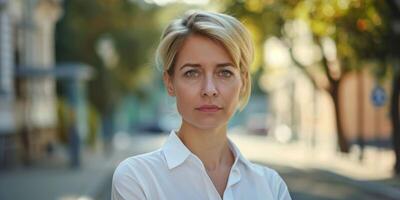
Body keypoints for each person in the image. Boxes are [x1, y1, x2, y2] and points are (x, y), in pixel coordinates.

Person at [111, 10, 292, 200]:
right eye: (192, 73)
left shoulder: (271, 186)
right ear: (170, 82)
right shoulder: (137, 179)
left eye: (224, 73)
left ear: (244, 82)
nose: (209, 89)